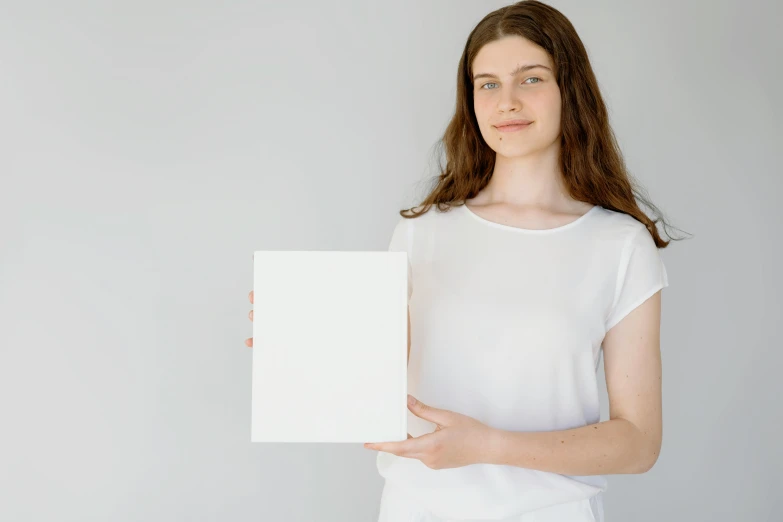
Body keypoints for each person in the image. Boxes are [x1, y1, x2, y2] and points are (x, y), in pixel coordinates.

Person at [247, 1, 681, 520]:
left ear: (572, 90)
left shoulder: (619, 245)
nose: (508, 101)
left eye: (532, 78)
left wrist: (488, 445)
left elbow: (637, 443)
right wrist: (307, 346)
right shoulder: (422, 232)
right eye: (488, 83)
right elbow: (371, 384)